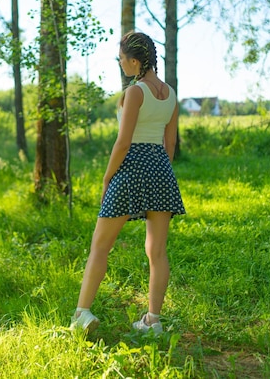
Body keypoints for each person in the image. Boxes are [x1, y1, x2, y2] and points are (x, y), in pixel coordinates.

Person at [70, 31, 186, 335]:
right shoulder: (171, 94)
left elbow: (123, 143)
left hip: (131, 167)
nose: (121, 64)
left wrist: (108, 178)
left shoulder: (136, 92)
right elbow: (170, 145)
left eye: (122, 59)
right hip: (161, 167)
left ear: (135, 60)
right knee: (157, 251)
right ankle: (153, 321)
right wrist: (158, 172)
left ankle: (82, 314)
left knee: (100, 245)